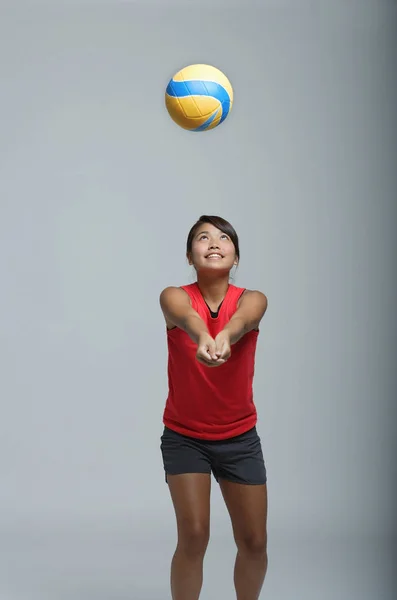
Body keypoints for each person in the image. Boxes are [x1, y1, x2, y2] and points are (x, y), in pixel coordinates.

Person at [159, 215, 268, 600]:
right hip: (184, 437)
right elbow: (186, 317)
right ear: (190, 255)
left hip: (239, 437)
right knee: (193, 536)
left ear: (236, 256)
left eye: (224, 237)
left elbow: (242, 320)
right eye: (202, 238)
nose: (214, 243)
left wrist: (225, 336)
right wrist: (203, 334)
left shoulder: (253, 299)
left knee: (254, 542)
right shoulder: (174, 295)